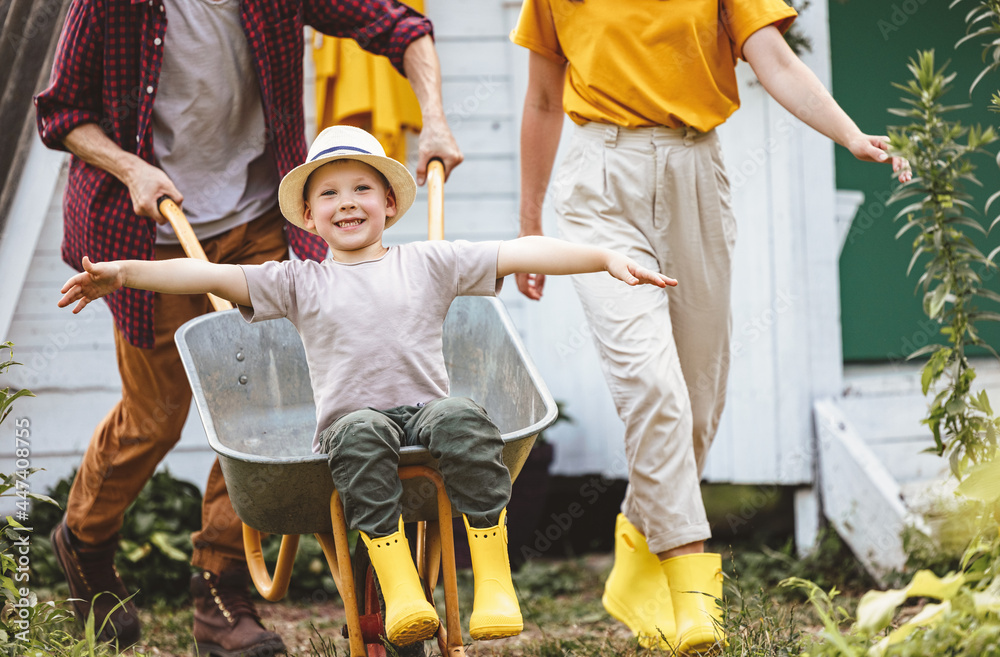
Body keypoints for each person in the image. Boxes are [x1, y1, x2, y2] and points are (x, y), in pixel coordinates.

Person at [57, 124, 678, 647]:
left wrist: (601, 258)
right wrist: (122, 272)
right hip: (357, 427)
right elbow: (206, 271)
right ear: (309, 215)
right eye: (328, 192)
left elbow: (520, 253)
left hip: (426, 418)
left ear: (388, 204)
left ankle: (492, 578)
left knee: (465, 416)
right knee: (356, 433)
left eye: (362, 188)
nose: (346, 201)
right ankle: (401, 587)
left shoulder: (428, 263)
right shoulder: (297, 281)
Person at [34, 1, 463, 653]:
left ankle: (219, 588)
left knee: (257, 408)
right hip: (149, 229)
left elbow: (401, 25)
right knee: (157, 413)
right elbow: (61, 113)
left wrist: (433, 119)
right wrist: (131, 167)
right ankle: (84, 539)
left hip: (259, 218)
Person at [509, 1, 911, 653]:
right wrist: (530, 228)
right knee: (651, 384)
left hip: (695, 170)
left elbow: (775, 59)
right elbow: (544, 100)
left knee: (697, 400)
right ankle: (693, 589)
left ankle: (639, 543)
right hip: (600, 182)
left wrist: (848, 133)